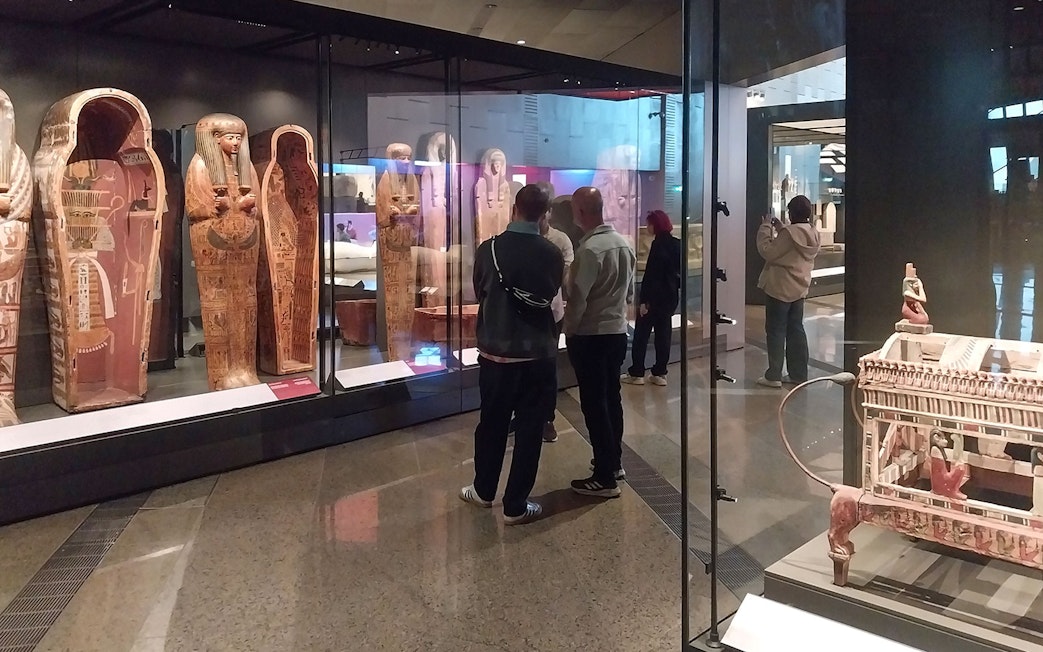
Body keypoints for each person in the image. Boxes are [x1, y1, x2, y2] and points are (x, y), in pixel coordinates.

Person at [460, 184, 564, 525]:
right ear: (545, 214)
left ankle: (483, 490)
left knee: (492, 424)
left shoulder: (488, 249)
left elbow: (481, 291)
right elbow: (550, 297)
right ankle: (516, 505)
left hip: (496, 355)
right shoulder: (552, 253)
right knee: (531, 430)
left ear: (514, 208)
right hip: (537, 356)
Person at [564, 186, 635, 499]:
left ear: (581, 212)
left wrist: (570, 330)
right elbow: (629, 293)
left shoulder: (590, 250)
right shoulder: (623, 244)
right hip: (617, 331)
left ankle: (604, 475)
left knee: (595, 405)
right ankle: (614, 461)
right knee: (611, 399)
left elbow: (578, 299)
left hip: (592, 335)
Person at [755, 194, 821, 388]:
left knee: (776, 331)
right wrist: (782, 229)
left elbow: (768, 251)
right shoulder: (813, 232)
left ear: (791, 212)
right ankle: (798, 373)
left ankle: (774, 375)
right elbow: (794, 245)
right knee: (796, 330)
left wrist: (766, 227)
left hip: (779, 288)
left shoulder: (790, 233)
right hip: (799, 289)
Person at [622, 210, 681, 386]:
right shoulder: (676, 244)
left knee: (641, 335)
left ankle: (637, 372)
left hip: (654, 299)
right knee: (664, 335)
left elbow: (652, 277)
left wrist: (645, 301)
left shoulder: (658, 246)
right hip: (669, 298)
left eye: (649, 223)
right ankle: (660, 372)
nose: (647, 227)